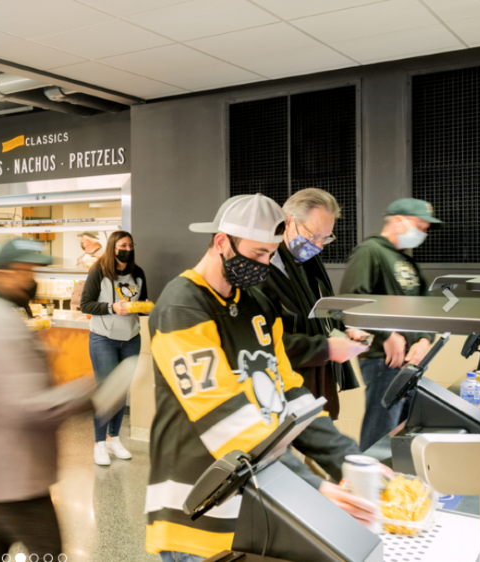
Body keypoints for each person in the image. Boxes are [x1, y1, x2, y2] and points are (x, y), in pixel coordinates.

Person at [147, 194, 377, 561]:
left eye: (270, 254)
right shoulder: (182, 306)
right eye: (256, 254)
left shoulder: (259, 303)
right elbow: (221, 415)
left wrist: (348, 460)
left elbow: (289, 391)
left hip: (259, 499)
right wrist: (309, 485)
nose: (264, 264)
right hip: (199, 514)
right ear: (222, 242)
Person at [0, 239, 96, 562]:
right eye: (23, 270)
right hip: (12, 471)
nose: (30, 279)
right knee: (48, 552)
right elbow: (28, 405)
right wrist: (88, 393)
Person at [340, 198, 440, 451]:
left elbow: (427, 308)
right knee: (380, 433)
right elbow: (352, 302)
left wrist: (424, 340)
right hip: (384, 361)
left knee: (406, 431)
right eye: (420, 226)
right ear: (399, 221)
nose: (423, 233)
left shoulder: (407, 261)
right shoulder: (370, 251)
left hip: (411, 361)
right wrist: (386, 334)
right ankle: (366, 485)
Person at [263, 188, 370, 419]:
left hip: (316, 382)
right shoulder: (262, 268)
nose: (319, 246)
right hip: (280, 391)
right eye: (313, 236)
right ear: (288, 222)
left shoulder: (309, 262)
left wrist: (345, 330)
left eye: (326, 238)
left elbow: (321, 310)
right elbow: (264, 342)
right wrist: (326, 348)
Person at [80, 230, 147, 466]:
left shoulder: (137, 273)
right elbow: (85, 304)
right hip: (103, 338)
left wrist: (145, 307)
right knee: (107, 391)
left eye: (130, 245)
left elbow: (140, 304)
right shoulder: (98, 270)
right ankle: (99, 443)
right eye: (123, 245)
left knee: (121, 390)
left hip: (131, 337)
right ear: (112, 247)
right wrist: (111, 308)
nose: (127, 249)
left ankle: (113, 438)